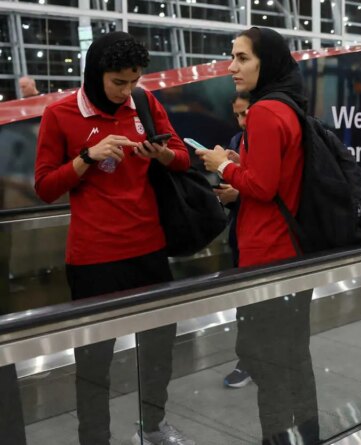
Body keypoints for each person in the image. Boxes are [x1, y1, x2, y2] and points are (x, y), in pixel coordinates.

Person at [33, 32, 193, 445]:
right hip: (94, 259)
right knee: (94, 362)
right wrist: (87, 157)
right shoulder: (60, 114)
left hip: (149, 247)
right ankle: (95, 438)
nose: (127, 92)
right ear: (94, 74)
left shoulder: (144, 103)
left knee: (158, 349)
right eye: (118, 82)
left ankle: (153, 426)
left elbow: (182, 157)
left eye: (134, 81)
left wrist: (159, 154)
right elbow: (46, 186)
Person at [197, 26, 319, 444]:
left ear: (266, 61)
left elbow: (263, 188)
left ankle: (277, 437)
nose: (232, 66)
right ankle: (307, 431)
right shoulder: (290, 106)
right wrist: (239, 163)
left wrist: (222, 164)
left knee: (268, 363)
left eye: (243, 58)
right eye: (232, 56)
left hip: (268, 256)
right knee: (295, 356)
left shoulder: (266, 111)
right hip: (291, 250)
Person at [219, 92, 249, 389]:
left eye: (246, 114)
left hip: (269, 239)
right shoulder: (235, 142)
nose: (241, 122)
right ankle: (248, 360)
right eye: (237, 116)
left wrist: (240, 192)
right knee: (246, 303)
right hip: (241, 231)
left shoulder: (270, 139)